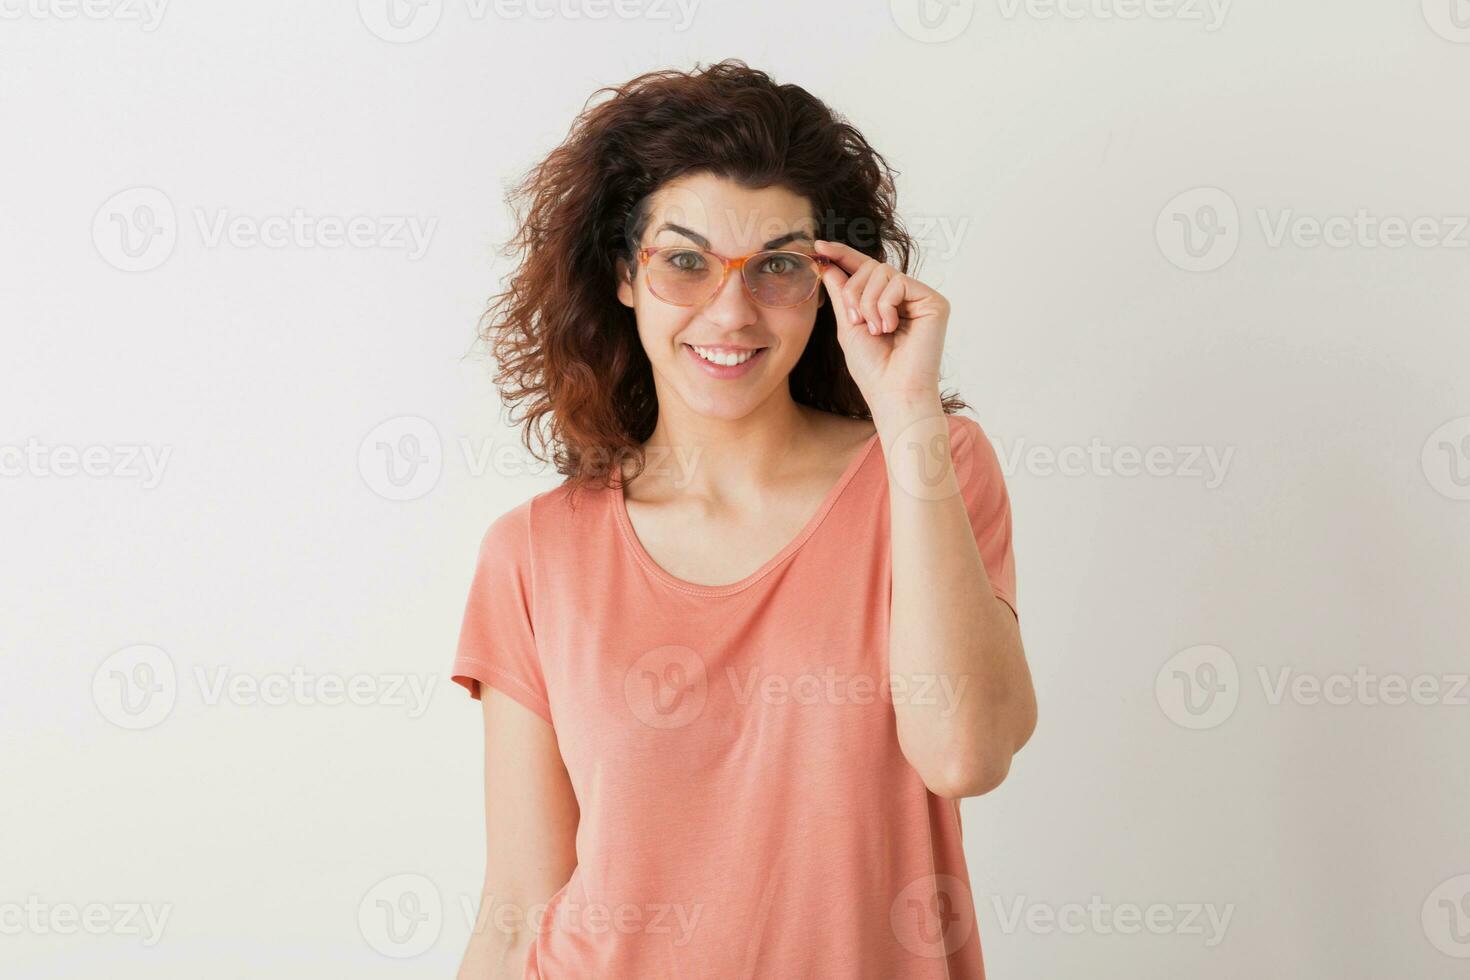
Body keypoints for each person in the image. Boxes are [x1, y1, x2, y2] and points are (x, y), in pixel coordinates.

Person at [450, 59, 1036, 980]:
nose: (732, 309)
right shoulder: (534, 552)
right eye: (685, 261)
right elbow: (521, 901)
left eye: (779, 267)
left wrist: (909, 410)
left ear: (834, 284)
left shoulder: (930, 469)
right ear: (624, 275)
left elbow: (965, 752)